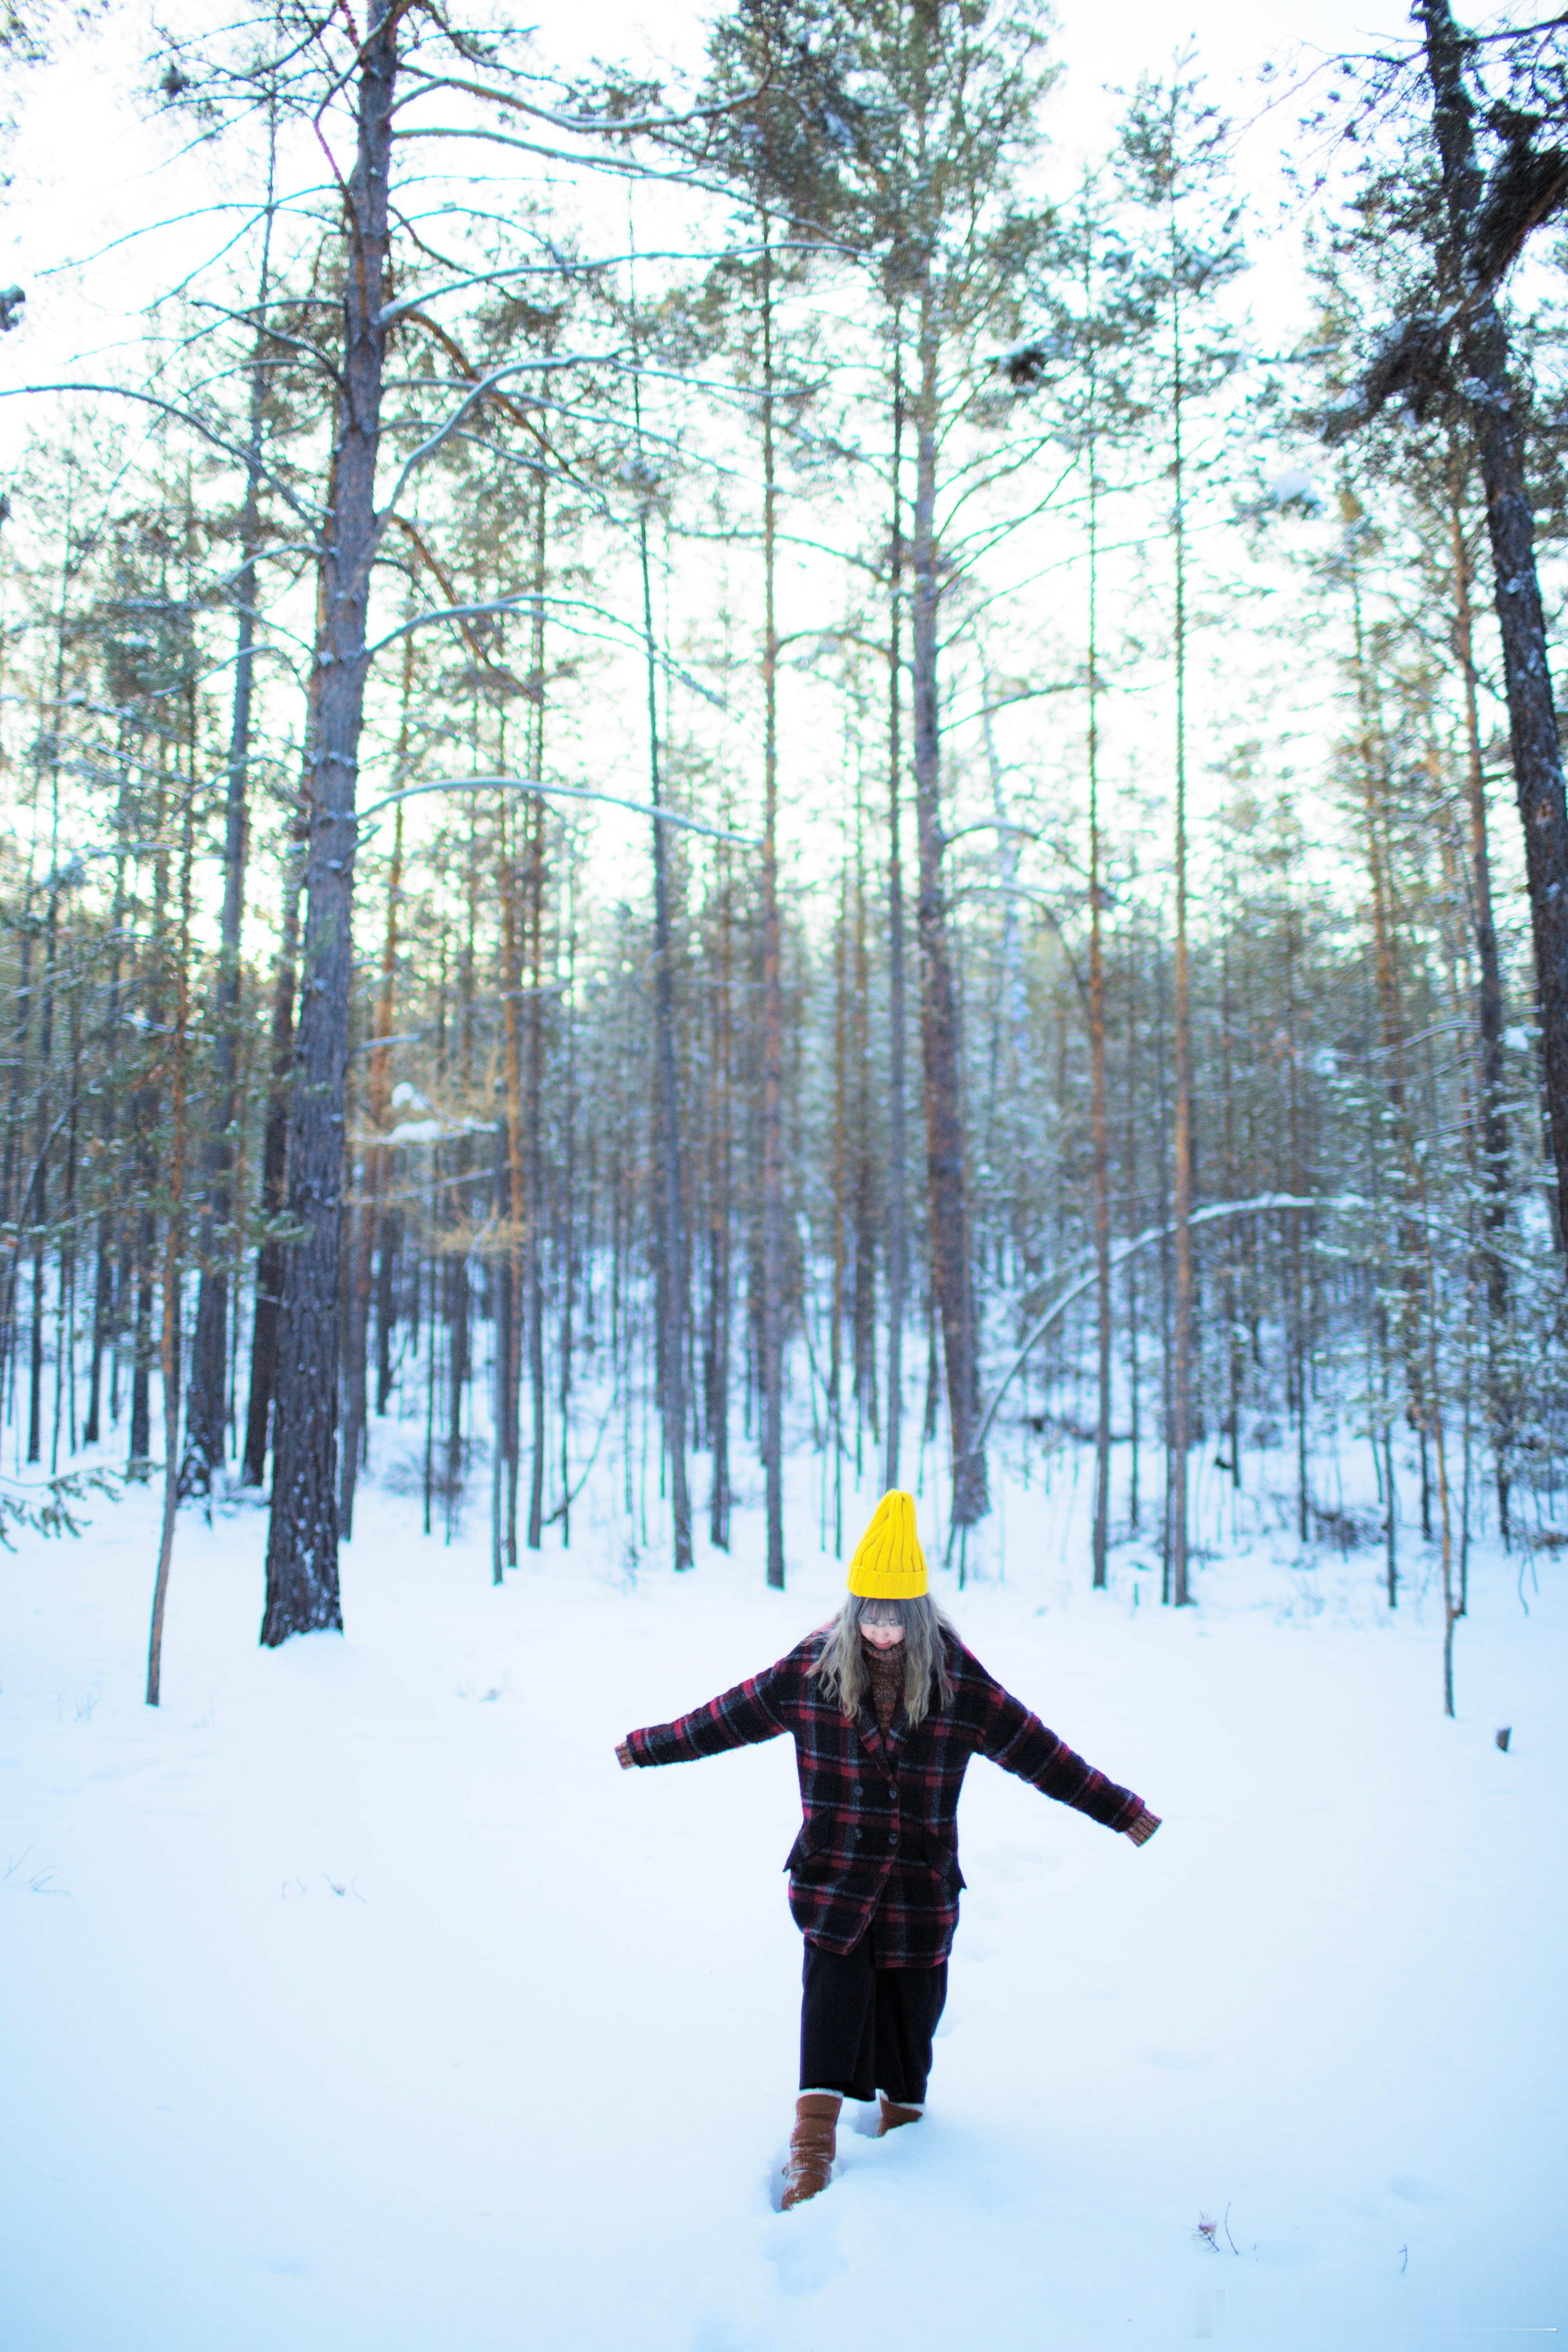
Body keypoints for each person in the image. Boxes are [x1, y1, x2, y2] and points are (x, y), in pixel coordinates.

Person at [616, 1490, 1160, 2209]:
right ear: (852, 1607)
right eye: (869, 1612)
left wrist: (1121, 1810)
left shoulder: (957, 1681)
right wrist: (647, 1748)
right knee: (831, 2006)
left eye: (895, 1615)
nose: (880, 1629)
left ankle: (907, 2130)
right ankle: (813, 2147)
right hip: (834, 1879)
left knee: (911, 2018)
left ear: (920, 1613)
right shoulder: (810, 1670)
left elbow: (1040, 1752)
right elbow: (726, 1717)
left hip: (918, 1886)